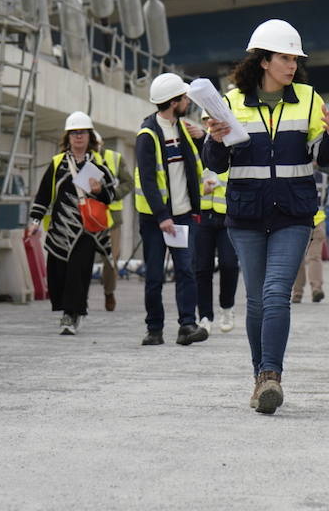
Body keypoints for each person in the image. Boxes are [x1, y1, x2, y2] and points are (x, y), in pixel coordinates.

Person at [204, 19, 329, 415]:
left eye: (295, 59)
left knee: (274, 293)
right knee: (255, 301)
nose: (292, 66)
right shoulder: (229, 103)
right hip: (247, 215)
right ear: (263, 61)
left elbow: (327, 157)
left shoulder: (308, 97)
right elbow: (215, 164)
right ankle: (259, 378)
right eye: (285, 58)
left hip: (294, 215)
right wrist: (213, 140)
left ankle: (271, 375)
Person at [26, 111, 117, 335]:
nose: (78, 137)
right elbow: (43, 195)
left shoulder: (99, 166)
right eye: (74, 133)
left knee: (78, 272)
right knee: (59, 273)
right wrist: (35, 221)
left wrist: (99, 190)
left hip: (87, 230)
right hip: (59, 230)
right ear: (67, 137)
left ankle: (72, 314)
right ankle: (71, 309)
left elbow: (111, 196)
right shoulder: (57, 164)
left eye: (82, 133)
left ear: (89, 137)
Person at [134, 73, 207, 347]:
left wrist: (203, 137)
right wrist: (162, 216)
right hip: (156, 219)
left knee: (186, 270)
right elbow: (149, 180)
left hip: (183, 215)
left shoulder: (184, 129)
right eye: (184, 97)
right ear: (173, 102)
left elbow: (195, 165)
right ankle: (154, 329)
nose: (188, 101)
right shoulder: (148, 134)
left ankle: (187, 325)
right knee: (154, 275)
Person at [193, 106, 239, 335]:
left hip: (227, 216)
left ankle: (227, 308)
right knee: (202, 267)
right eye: (205, 121)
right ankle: (204, 315)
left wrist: (220, 185)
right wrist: (201, 187)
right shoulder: (197, 148)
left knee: (230, 264)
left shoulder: (232, 145)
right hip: (202, 215)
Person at [98, 137, 134, 312]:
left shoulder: (114, 158)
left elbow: (129, 182)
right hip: (86, 216)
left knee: (111, 259)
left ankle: (109, 292)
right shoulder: (81, 159)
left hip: (111, 217)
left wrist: (114, 194)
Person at [292, 206, 327, 304]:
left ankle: (297, 293)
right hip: (318, 220)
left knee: (298, 258)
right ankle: (316, 288)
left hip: (299, 220)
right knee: (315, 257)